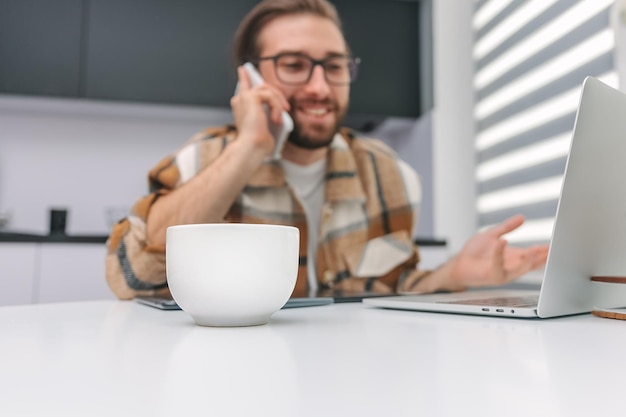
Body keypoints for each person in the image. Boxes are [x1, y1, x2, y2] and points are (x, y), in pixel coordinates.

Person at [105, 0, 548, 300]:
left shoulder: (389, 173)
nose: (320, 87)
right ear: (250, 78)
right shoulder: (202, 160)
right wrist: (250, 147)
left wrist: (453, 275)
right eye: (294, 65)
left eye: (333, 67)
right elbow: (132, 274)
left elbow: (393, 292)